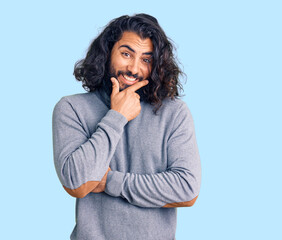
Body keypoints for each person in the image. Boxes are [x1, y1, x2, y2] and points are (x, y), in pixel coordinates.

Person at [52, 13, 201, 240]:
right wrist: (117, 116)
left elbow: (187, 189)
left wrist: (112, 181)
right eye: (126, 54)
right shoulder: (72, 108)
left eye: (146, 59)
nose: (134, 68)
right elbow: (77, 183)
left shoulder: (174, 113)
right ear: (107, 52)